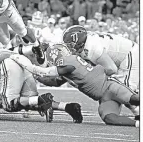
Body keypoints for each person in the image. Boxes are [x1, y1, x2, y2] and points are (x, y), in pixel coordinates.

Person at [11, 43, 139, 127]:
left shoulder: (68, 63)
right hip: (103, 98)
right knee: (110, 118)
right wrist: (37, 75)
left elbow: (46, 72)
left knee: (135, 99)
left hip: (110, 87)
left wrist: (25, 64)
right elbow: (54, 82)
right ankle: (138, 124)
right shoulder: (69, 65)